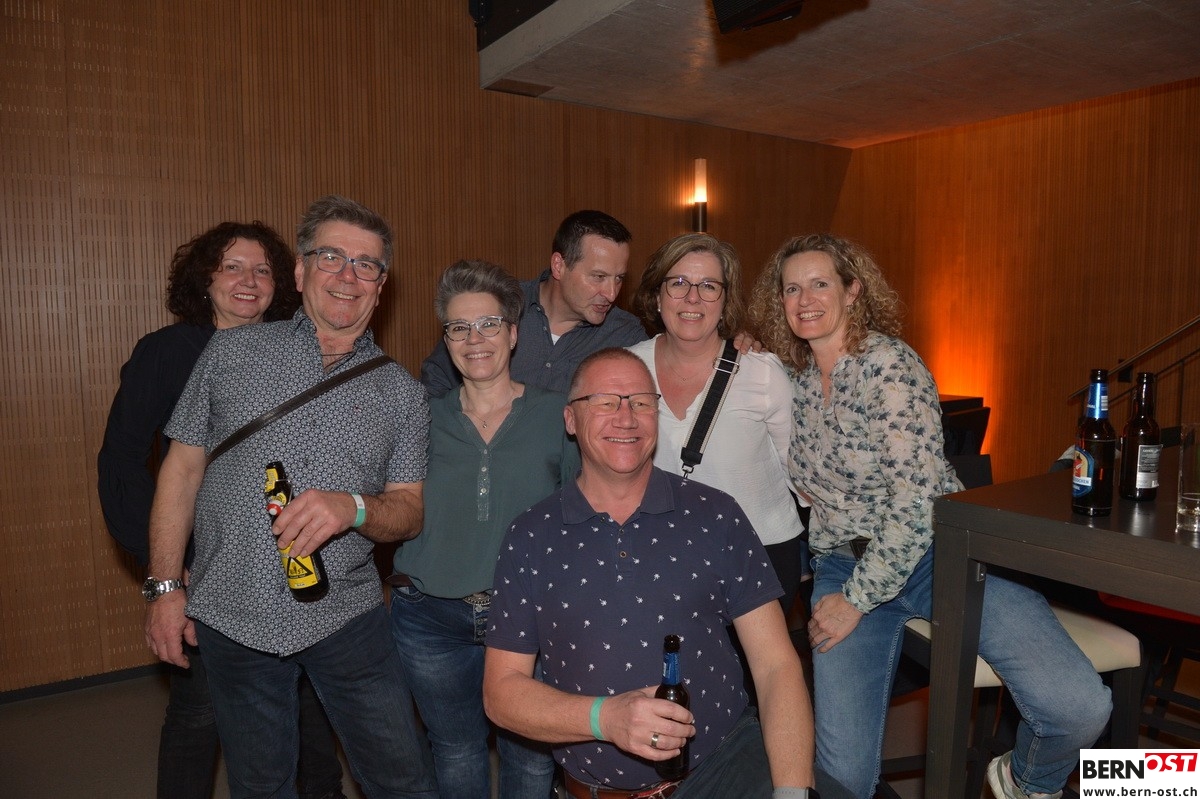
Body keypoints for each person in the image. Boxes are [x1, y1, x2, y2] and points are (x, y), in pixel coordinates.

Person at [748, 233, 1111, 799]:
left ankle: (1025, 780)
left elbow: (916, 504)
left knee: (1078, 706)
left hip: (937, 553)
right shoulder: (792, 381)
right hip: (842, 562)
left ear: (853, 290)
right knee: (842, 779)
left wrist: (856, 600)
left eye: (820, 283)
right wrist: (742, 345)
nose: (804, 299)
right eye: (791, 288)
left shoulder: (889, 365)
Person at [143, 196, 437, 799]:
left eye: (366, 264)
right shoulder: (230, 353)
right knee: (260, 784)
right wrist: (166, 588)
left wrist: (353, 507)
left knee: (402, 778)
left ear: (381, 286)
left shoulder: (403, 393)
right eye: (331, 257)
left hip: (345, 617)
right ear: (301, 271)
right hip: (233, 613)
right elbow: (181, 471)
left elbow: (409, 510)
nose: (347, 275)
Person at [483, 348, 830, 799]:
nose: (626, 418)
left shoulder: (716, 514)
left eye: (641, 402)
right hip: (598, 792)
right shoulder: (530, 536)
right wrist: (604, 718)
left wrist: (792, 792)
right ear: (571, 419)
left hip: (724, 768)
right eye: (605, 401)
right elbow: (501, 693)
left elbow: (776, 665)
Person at [97, 221, 346, 799]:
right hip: (206, 567)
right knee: (201, 711)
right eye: (232, 267)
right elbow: (122, 465)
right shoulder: (167, 353)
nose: (248, 280)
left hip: (296, 558)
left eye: (262, 270)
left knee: (311, 704)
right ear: (205, 278)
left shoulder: (300, 349)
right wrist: (168, 571)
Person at [390, 259, 579, 797]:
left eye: (489, 324)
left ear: (513, 334)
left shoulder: (560, 414)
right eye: (458, 327)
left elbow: (581, 517)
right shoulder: (420, 417)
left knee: (533, 760)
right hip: (430, 619)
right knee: (454, 751)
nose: (474, 339)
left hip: (532, 619)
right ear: (446, 340)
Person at [628, 233, 807, 613]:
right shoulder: (627, 370)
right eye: (678, 283)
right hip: (660, 556)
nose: (692, 298)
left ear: (725, 301)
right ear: (657, 296)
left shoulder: (761, 373)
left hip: (759, 555)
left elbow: (802, 473)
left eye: (709, 286)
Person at [421, 210, 646, 396]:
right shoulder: (500, 304)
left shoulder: (625, 336)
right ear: (558, 266)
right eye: (598, 277)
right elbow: (436, 384)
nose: (611, 294)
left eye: (619, 278)